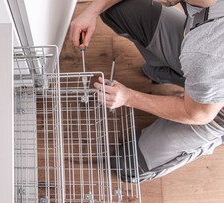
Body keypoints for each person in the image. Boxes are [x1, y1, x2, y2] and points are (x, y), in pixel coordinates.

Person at [69, 0, 224, 182]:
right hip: (200, 52)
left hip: (212, 111)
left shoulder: (209, 54)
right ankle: (178, 76)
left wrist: (128, 97)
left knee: (127, 165)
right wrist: (91, 11)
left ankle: (211, 134)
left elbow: (197, 114)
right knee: (116, 8)